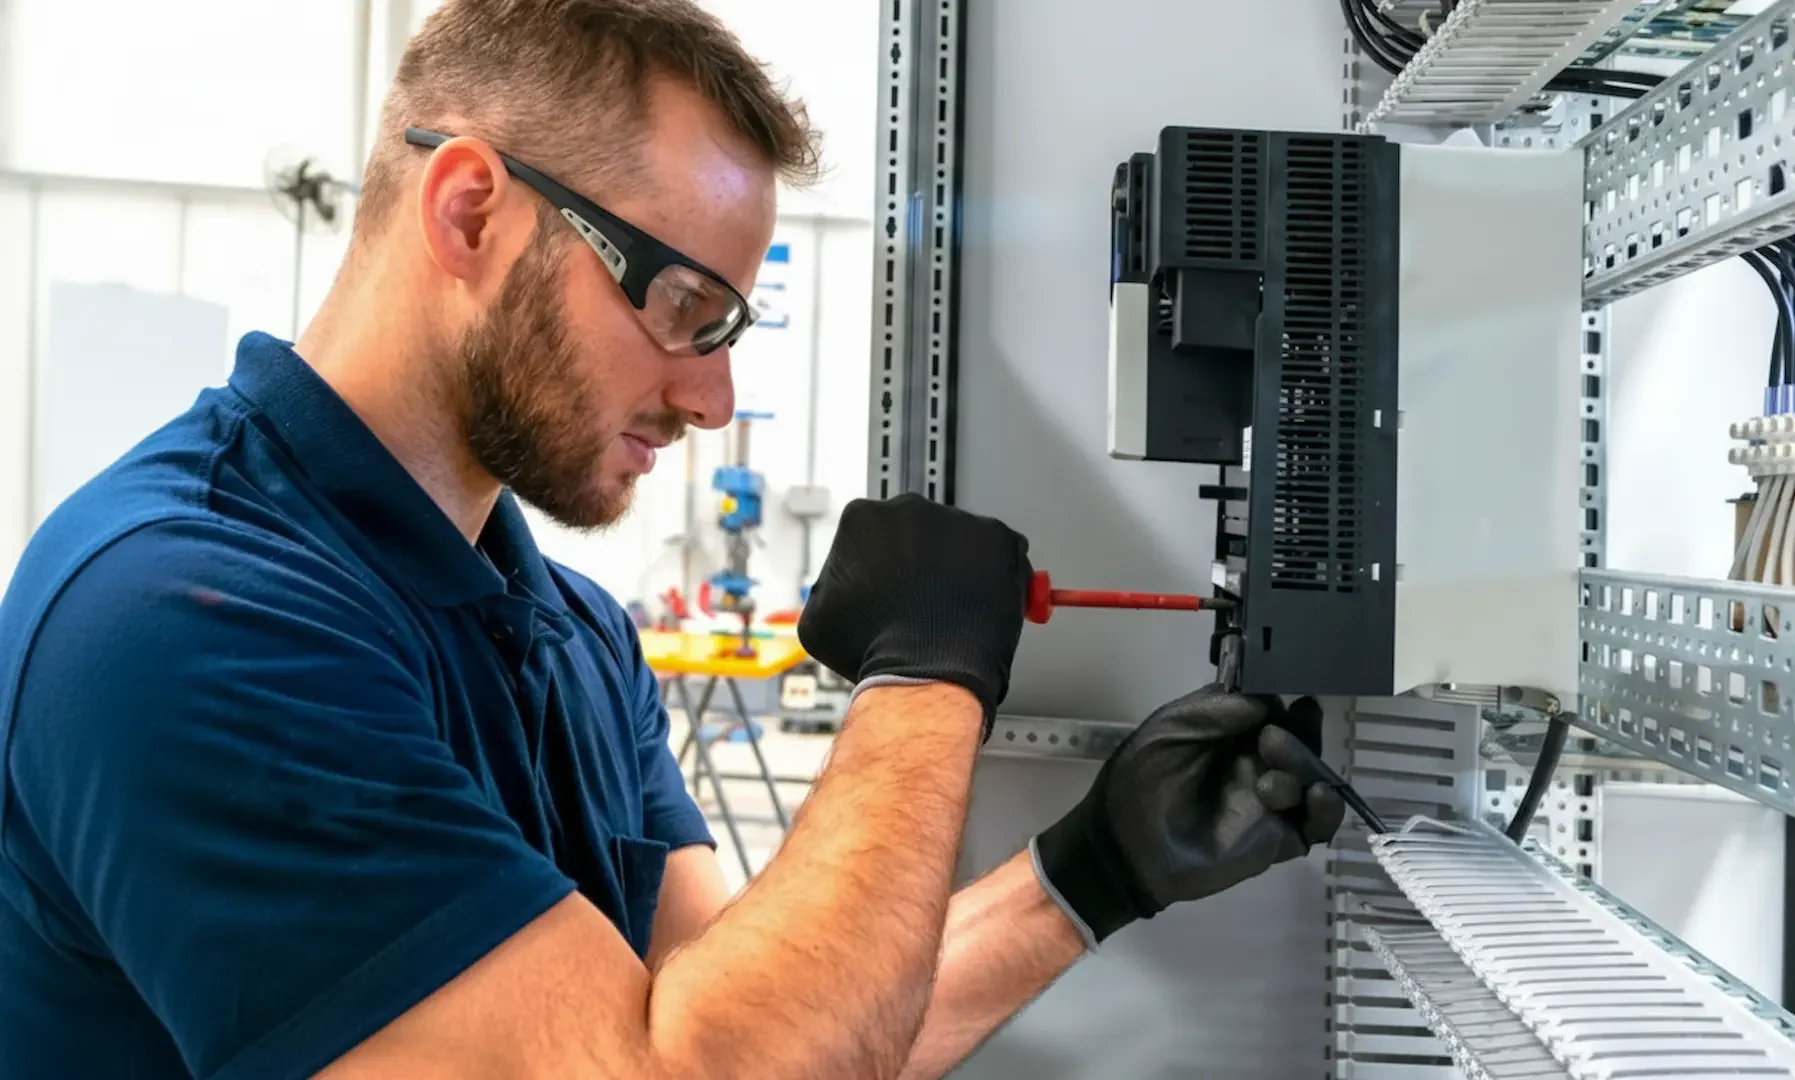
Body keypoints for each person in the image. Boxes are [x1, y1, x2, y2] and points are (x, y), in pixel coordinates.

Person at [0, 1, 1344, 1077]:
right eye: (680, 306)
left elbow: (767, 1039)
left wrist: (1087, 873)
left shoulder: (569, 637)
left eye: (728, 333)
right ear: (470, 210)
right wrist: (920, 686)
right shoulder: (183, 618)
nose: (706, 398)